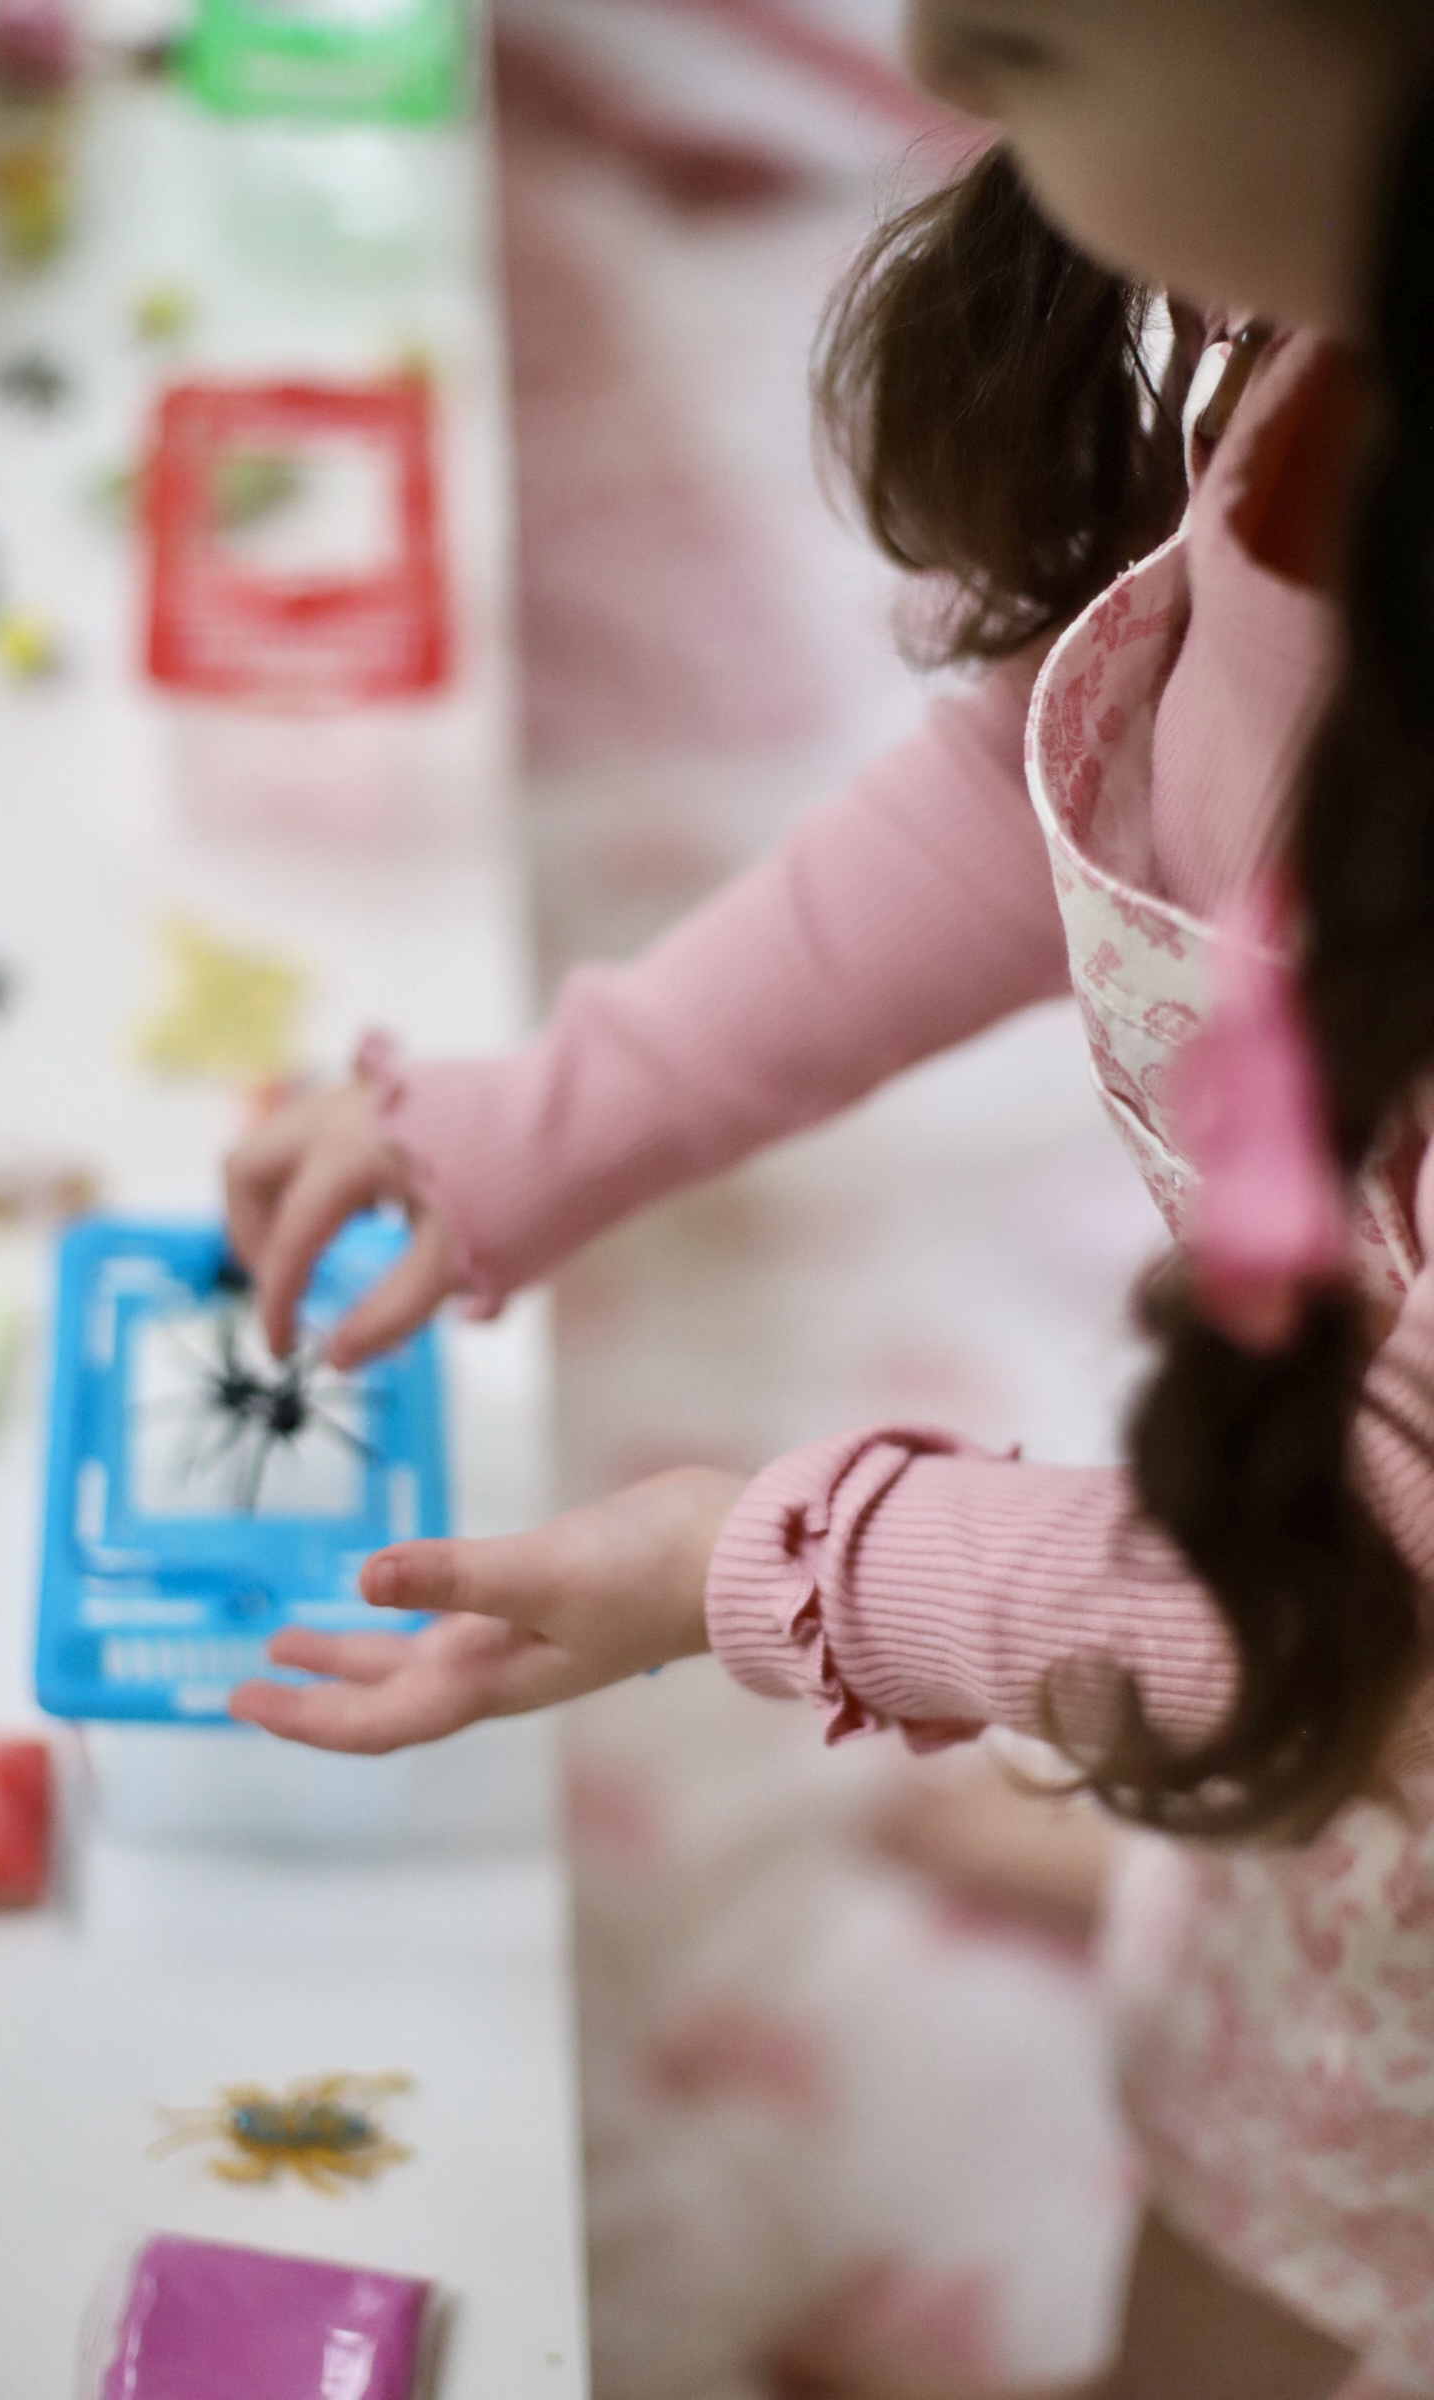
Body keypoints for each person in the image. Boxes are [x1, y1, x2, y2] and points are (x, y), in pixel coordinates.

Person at [224, 5, 1434, 2392]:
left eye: (1039, 38)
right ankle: (1190, 1877)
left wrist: (755, 1562)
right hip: (1310, 1640)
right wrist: (545, 1115)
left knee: (1237, 2285)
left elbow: (1372, 1628)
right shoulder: (1304, 325)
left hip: (1371, 1719)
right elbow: (1075, 760)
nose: (919, 31)